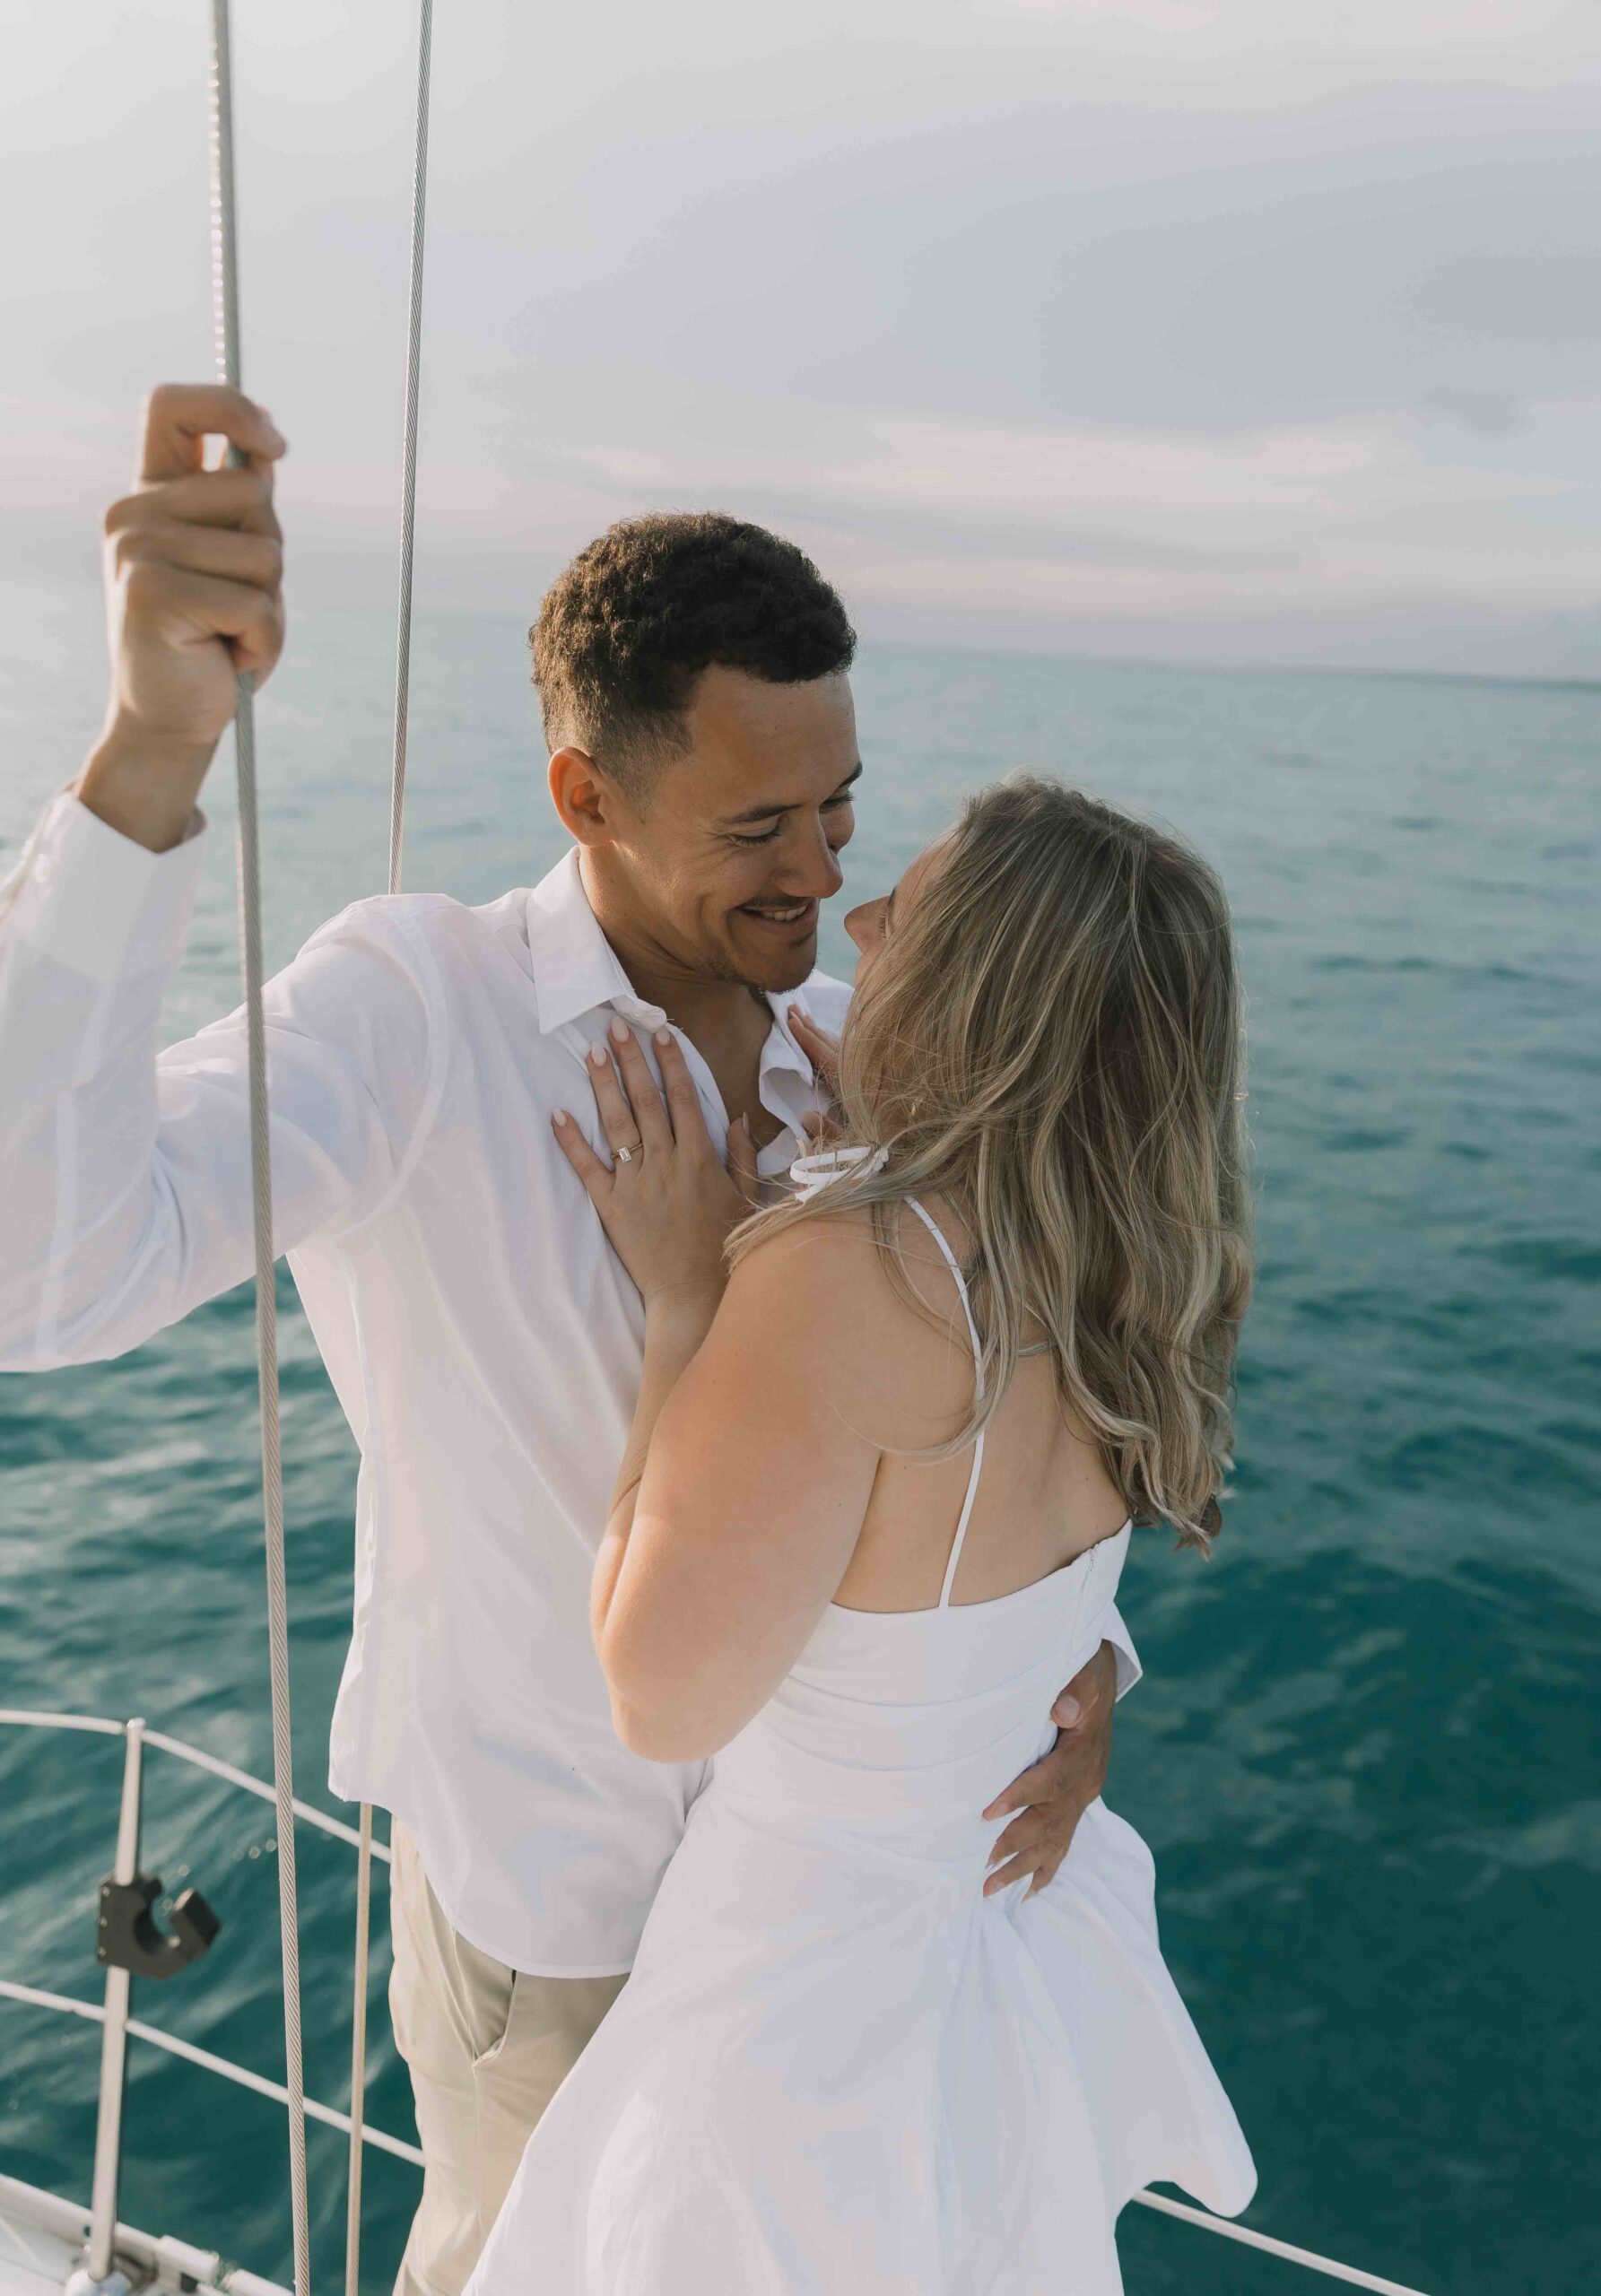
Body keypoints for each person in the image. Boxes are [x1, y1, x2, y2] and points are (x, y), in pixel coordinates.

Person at [0, 385, 1140, 2295]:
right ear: (583, 793)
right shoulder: (416, 1009)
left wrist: (1071, 1660)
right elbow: (46, 1269)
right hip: (569, 1922)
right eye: (757, 820)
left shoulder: (860, 1040)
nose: (814, 867)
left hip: (841, 1923)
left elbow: (996, 1394)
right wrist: (147, 755)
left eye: (841, 806)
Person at [467, 775, 1257, 2296]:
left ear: (973, 987)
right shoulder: (1142, 1275)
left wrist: (697, 1298)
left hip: (788, 2011)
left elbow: (660, 1699)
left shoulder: (840, 1276)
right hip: (980, 1960)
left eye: (910, 904)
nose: (863, 916)